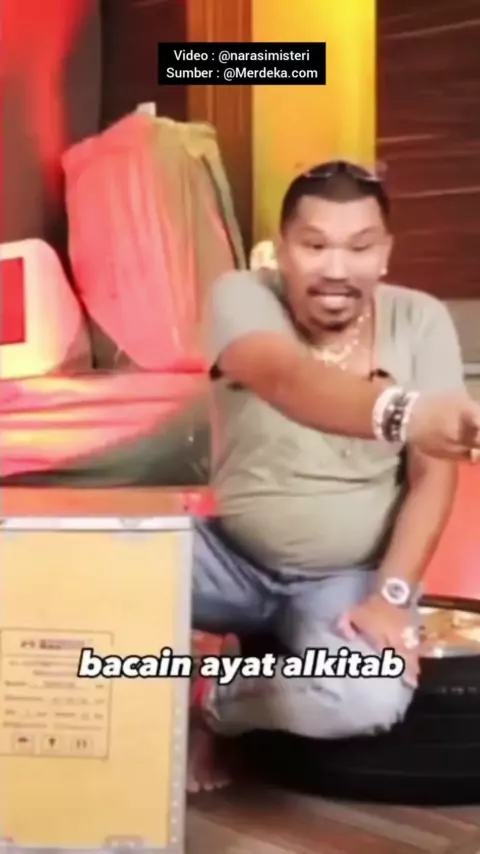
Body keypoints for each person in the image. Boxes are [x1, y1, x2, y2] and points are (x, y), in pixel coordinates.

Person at [188, 160, 480, 792]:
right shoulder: (240, 296)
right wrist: (407, 413)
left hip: (344, 580)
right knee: (71, 573)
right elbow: (285, 378)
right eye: (315, 245)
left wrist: (392, 596)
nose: (337, 269)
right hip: (227, 560)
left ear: (386, 253)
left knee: (368, 695)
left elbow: (434, 476)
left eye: (360, 247)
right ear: (283, 250)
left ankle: (214, 700)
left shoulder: (420, 319)